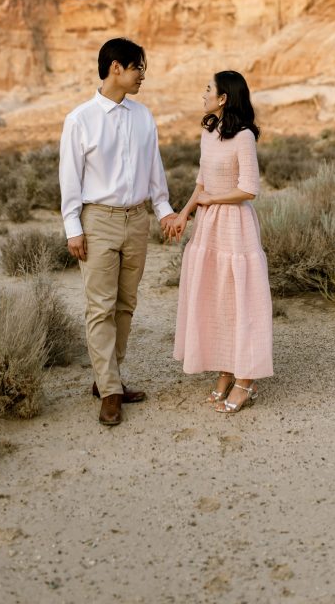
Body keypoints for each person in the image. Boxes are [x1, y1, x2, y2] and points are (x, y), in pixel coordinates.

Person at [60, 37, 177, 426]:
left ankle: (107, 375)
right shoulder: (80, 119)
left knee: (126, 304)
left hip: (137, 219)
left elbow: (154, 169)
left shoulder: (144, 116)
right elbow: (70, 179)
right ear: (116, 68)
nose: (142, 75)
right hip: (99, 222)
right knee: (100, 307)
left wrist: (163, 211)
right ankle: (110, 391)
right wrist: (73, 227)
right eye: (137, 67)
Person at [169, 70, 273, 413]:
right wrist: (184, 214)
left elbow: (249, 189)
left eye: (208, 89)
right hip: (208, 225)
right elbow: (201, 183)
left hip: (235, 224)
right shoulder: (209, 131)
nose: (203, 94)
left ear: (224, 97)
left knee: (240, 298)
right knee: (217, 299)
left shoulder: (244, 137)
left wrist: (211, 202)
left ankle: (246, 380)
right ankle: (226, 370)